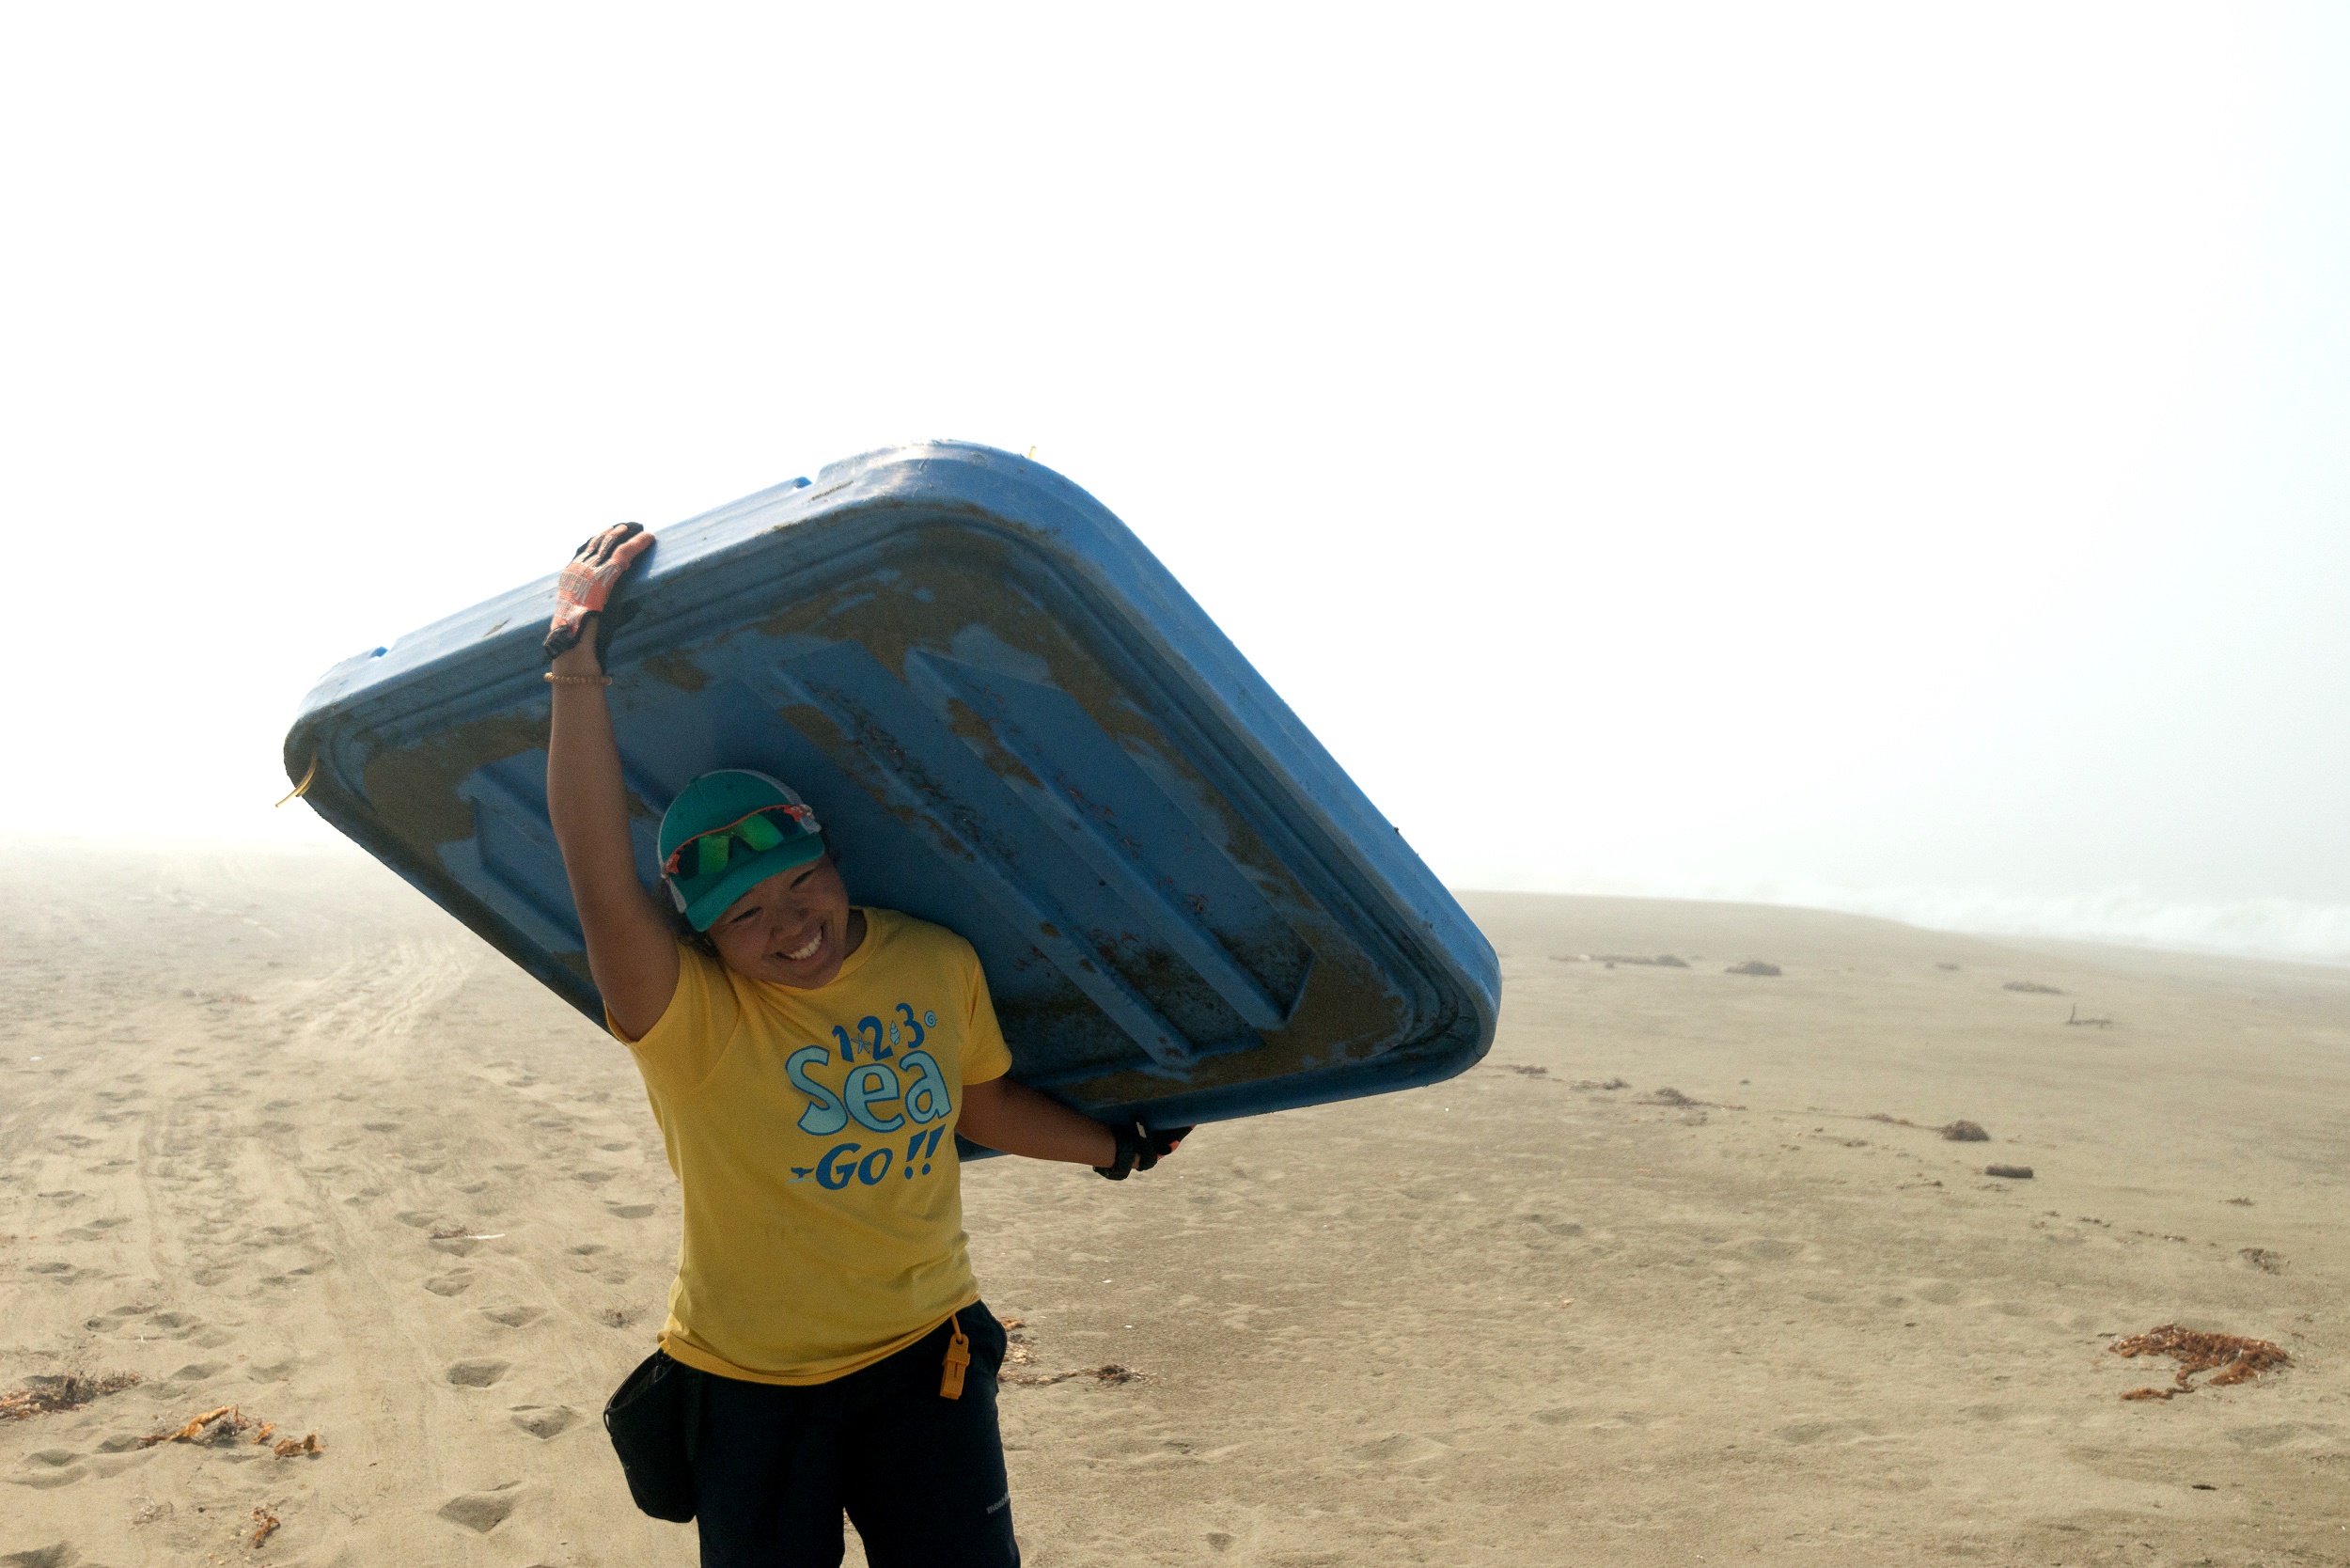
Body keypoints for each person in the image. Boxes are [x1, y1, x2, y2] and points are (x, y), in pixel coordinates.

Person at [540, 523, 1185, 1567]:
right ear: (703, 938)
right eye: (746, 917)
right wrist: (574, 663)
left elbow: (983, 1105)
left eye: (799, 881)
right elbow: (592, 861)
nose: (790, 923)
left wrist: (1116, 1151)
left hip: (922, 1359)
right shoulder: (686, 1017)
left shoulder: (934, 962)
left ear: (829, 854)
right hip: (749, 1387)